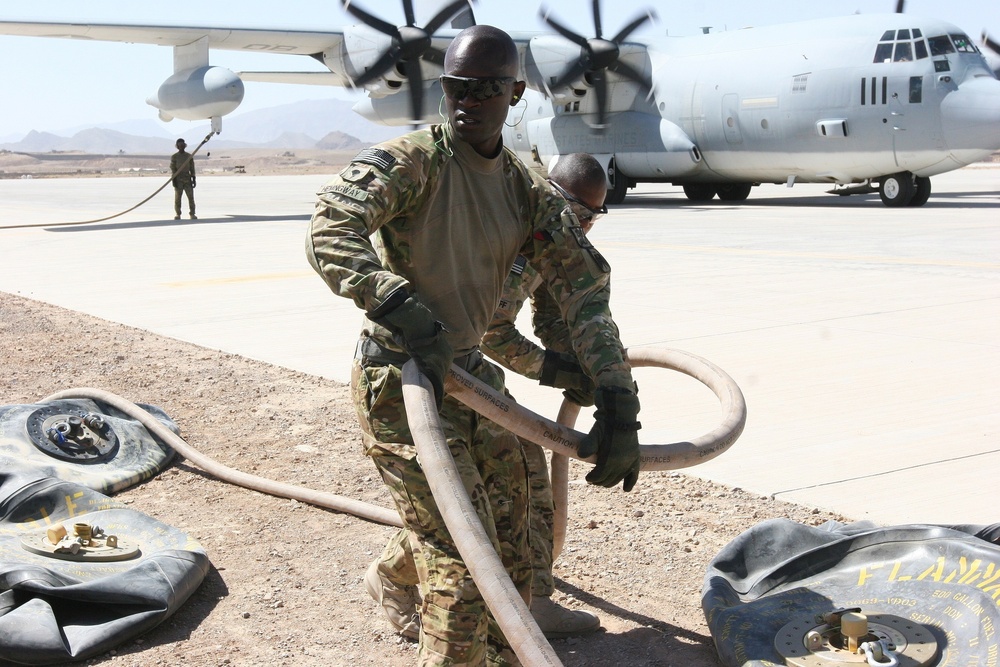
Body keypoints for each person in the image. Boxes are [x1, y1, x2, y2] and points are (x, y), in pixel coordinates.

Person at [306, 25, 641, 666]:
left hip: (471, 377)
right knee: (463, 559)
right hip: (401, 380)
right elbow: (332, 224)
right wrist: (396, 301)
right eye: (456, 88)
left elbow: (584, 293)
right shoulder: (415, 162)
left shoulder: (525, 188)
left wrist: (617, 396)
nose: (467, 102)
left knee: (518, 533)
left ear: (514, 94)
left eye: (485, 91)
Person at [362, 153, 611, 643]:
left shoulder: (552, 241)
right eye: (578, 214)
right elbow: (494, 331)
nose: (583, 227)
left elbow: (557, 312)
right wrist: (550, 368)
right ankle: (393, 576)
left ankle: (532, 601)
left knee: (524, 467)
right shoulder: (520, 239)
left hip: (466, 367)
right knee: (462, 501)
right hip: (425, 369)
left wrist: (583, 368)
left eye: (592, 218)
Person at [170, 138, 196, 220]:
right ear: (177, 146)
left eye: (182, 145)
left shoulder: (189, 156)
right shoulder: (174, 157)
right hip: (178, 179)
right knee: (178, 198)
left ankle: (192, 214)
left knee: (190, 197)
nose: (181, 146)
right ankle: (178, 214)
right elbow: (173, 168)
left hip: (187, 178)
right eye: (179, 145)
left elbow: (192, 167)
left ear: (184, 146)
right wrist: (174, 179)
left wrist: (193, 177)